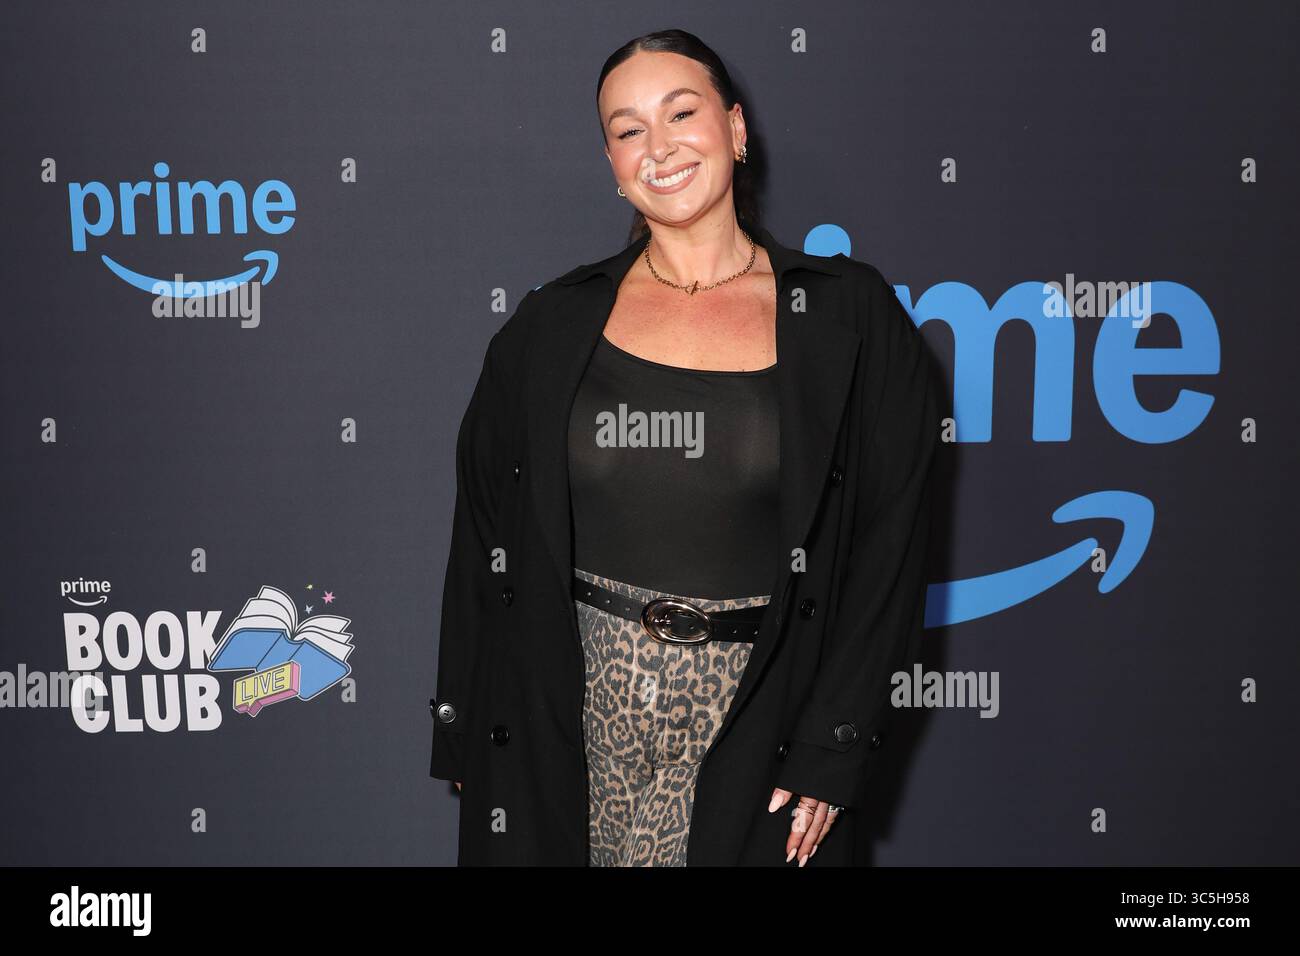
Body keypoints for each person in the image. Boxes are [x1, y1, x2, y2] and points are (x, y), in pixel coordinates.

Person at [429, 28, 940, 867]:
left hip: (757, 717)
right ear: (611, 161)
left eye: (682, 112)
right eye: (629, 129)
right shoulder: (549, 325)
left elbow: (890, 548)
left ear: (737, 130)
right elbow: (483, 533)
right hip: (574, 705)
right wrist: (467, 725)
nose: (658, 146)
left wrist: (834, 744)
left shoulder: (850, 317)